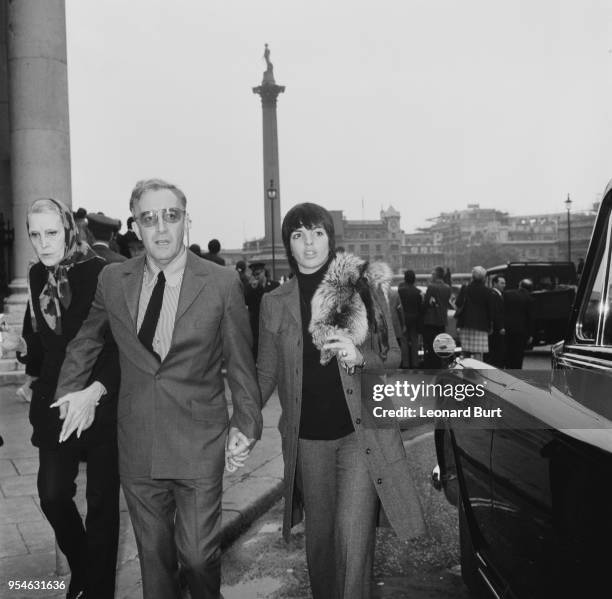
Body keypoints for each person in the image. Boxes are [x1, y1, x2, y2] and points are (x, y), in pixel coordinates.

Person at [54, 179, 263, 599]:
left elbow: (241, 363)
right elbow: (88, 338)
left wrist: (247, 423)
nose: (161, 228)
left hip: (199, 440)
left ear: (187, 221)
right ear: (136, 226)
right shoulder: (114, 280)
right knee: (155, 563)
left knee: (199, 557)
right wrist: (70, 390)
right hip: (139, 442)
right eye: (149, 219)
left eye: (171, 216)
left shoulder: (221, 283)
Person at [257, 202, 426, 599]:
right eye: (298, 235)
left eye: (316, 232)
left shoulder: (363, 290)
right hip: (307, 441)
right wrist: (240, 422)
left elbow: (394, 357)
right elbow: (264, 373)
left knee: (354, 540)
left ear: (330, 238)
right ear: (289, 246)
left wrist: (359, 356)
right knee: (321, 543)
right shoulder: (274, 302)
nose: (309, 243)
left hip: (360, 435)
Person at [0, 198, 120, 599]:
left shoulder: (102, 273)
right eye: (34, 234)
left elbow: (119, 347)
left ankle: (98, 589)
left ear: (69, 229)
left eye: (51, 232)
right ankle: (84, 569)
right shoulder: (36, 275)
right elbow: (44, 344)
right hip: (54, 401)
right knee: (52, 495)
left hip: (101, 400)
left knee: (102, 504)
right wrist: (25, 360)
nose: (42, 243)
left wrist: (96, 389)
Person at [455, 266, 494, 361]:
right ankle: (478, 373)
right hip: (481, 325)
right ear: (484, 278)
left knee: (465, 352)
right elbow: (490, 310)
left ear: (472, 276)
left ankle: (465, 373)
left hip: (465, 324)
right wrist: (490, 325)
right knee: (478, 353)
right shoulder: (487, 291)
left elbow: (458, 303)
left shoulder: (465, 289)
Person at [245, 261, 277, 359]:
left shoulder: (274, 285)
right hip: (256, 325)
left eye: (258, 274)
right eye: (254, 274)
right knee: (256, 352)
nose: (257, 276)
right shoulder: (250, 287)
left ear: (264, 272)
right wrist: (253, 289)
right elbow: (247, 301)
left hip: (272, 323)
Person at [421, 266, 451, 368]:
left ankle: (432, 367)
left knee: (430, 346)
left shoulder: (432, 287)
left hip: (431, 321)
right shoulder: (447, 288)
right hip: (442, 320)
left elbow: (426, 304)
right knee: (440, 346)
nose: (431, 276)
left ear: (435, 275)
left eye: (432, 274)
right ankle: (440, 365)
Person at [504, 278, 535, 368]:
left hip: (508, 329)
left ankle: (508, 368)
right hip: (521, 331)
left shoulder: (507, 294)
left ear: (520, 286)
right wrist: (531, 334)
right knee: (518, 354)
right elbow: (530, 318)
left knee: (509, 352)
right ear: (530, 289)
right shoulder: (529, 299)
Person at [397, 270, 423, 368]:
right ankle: (415, 364)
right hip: (415, 320)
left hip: (403, 320)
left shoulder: (400, 292)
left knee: (404, 342)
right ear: (414, 279)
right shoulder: (418, 292)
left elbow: (398, 307)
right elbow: (420, 308)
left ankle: (405, 364)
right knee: (415, 342)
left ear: (405, 279)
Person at [486, 275, 506, 367]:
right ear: (494, 283)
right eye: (502, 283)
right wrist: (500, 326)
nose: (504, 285)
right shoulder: (493, 295)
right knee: (495, 351)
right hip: (496, 329)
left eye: (504, 283)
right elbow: (495, 312)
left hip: (497, 328)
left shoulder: (499, 294)